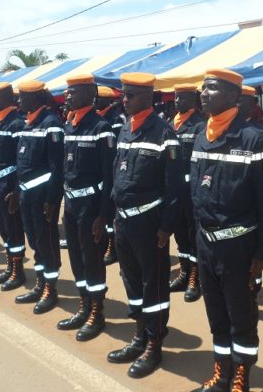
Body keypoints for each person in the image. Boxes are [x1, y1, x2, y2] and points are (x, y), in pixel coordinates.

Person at [191, 69, 263, 392]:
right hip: (206, 244)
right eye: (203, 88)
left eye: (211, 88)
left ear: (232, 96)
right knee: (216, 314)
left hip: (239, 248)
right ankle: (221, 373)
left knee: (241, 316)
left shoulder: (254, 139)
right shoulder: (202, 135)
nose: (203, 93)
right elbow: (196, 193)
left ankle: (242, 374)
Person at [107, 72, 183, 378]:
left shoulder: (165, 134)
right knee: (131, 280)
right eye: (124, 95)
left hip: (150, 224)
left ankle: (154, 343)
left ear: (148, 97)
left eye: (130, 96)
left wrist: (166, 226)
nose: (124, 101)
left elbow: (174, 186)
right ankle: (139, 334)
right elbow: (119, 172)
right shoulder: (126, 129)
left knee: (154, 285)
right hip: (124, 220)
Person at [56, 74, 116, 341]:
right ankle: (85, 305)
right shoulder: (70, 126)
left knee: (92, 260)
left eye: (73, 91)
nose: (68, 96)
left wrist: (103, 215)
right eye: (67, 91)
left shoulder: (100, 128)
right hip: (71, 204)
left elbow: (109, 176)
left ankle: (97, 312)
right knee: (77, 259)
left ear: (90, 94)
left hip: (91, 207)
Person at [15, 80, 64, 314]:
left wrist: (52, 200)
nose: (18, 101)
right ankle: (40, 281)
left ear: (34, 99)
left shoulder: (51, 124)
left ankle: (50, 289)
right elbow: (23, 163)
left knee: (47, 243)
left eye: (22, 97)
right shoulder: (28, 123)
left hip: (43, 197)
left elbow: (57, 167)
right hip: (27, 195)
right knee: (35, 242)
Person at [0, 82, 26, 290]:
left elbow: (21, 161)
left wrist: (17, 189)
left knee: (13, 228)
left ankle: (18, 271)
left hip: (10, 183)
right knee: (2, 227)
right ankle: (10, 267)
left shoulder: (16, 124)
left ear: (6, 98)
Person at [169, 83, 206, 302]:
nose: (177, 101)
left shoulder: (200, 126)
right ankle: (183, 272)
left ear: (193, 100)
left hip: (191, 191)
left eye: (182, 98)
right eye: (175, 97)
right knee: (180, 233)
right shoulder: (169, 124)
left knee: (193, 235)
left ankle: (195, 276)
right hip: (174, 192)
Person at [238, 85, 263, 292]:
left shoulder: (261, 136)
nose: (236, 104)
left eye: (241, 100)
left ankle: (256, 280)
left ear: (252, 105)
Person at [96, 85, 124, 266]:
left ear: (106, 100)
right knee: (102, 210)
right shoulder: (98, 118)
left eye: (98, 99)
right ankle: (106, 241)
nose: (95, 101)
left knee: (111, 211)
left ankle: (112, 246)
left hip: (112, 170)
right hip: (99, 172)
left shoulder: (115, 120)